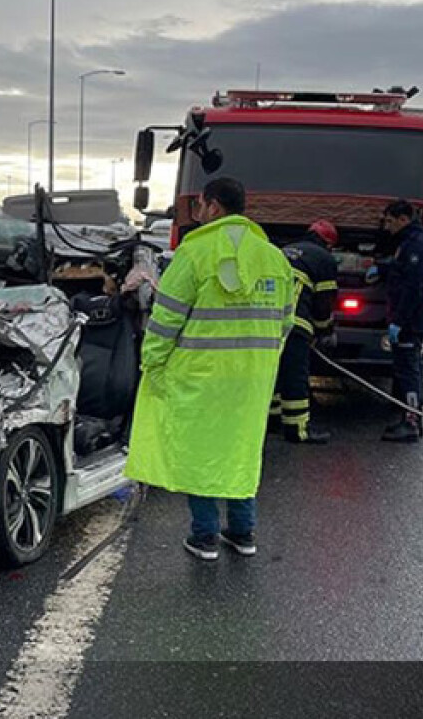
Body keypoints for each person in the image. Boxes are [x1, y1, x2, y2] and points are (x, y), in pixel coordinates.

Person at [124, 177, 294, 561]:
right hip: (252, 378)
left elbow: (166, 319)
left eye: (199, 205)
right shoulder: (273, 257)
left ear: (213, 206)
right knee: (241, 451)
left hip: (200, 375)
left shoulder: (194, 254)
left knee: (201, 453)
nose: (197, 213)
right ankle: (242, 532)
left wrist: (151, 363)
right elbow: (285, 322)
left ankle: (205, 537)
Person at [373, 200, 423, 443]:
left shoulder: (416, 246)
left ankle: (411, 422)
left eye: (390, 221)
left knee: (409, 371)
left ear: (404, 219)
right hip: (407, 319)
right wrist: (382, 269)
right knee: (404, 370)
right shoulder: (409, 243)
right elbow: (402, 270)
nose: (387, 226)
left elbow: (413, 288)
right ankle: (409, 418)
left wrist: (399, 321)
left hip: (410, 322)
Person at [271, 218, 339, 444]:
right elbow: (323, 304)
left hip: (267, 322)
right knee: (295, 375)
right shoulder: (324, 259)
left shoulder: (284, 251)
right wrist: (324, 330)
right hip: (295, 322)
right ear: (328, 244)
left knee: (274, 372)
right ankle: (298, 429)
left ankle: (271, 421)